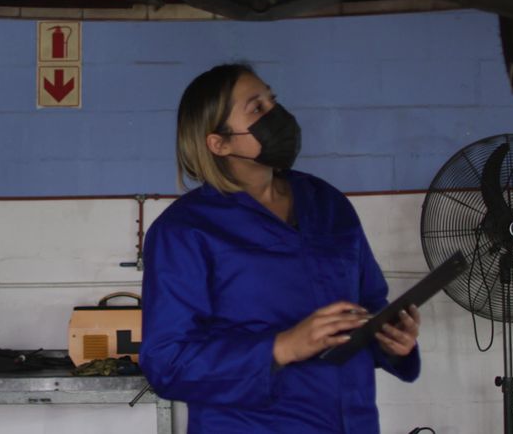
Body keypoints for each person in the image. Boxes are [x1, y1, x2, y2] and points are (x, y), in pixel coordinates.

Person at [139, 63, 422, 433]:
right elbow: (167, 363)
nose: (276, 115)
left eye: (272, 102)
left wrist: (391, 341)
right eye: (256, 109)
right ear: (218, 143)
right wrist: (281, 347)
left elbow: (369, 303)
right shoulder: (185, 231)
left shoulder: (327, 202)